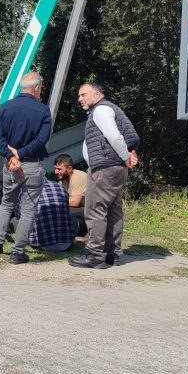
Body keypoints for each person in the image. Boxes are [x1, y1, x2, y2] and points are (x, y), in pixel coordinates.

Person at [69, 82, 140, 270]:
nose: (80, 98)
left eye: (83, 94)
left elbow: (114, 136)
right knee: (113, 211)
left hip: (105, 169)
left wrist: (126, 157)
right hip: (115, 168)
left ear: (98, 94)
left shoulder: (101, 111)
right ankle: (112, 254)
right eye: (79, 95)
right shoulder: (109, 109)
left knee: (94, 210)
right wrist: (127, 155)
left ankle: (95, 255)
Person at [0, 72, 53, 264]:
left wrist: (11, 156)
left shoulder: (4, 108)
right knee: (28, 209)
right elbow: (42, 139)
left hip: (11, 165)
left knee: (6, 202)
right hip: (32, 164)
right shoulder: (43, 111)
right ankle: (17, 252)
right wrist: (22, 153)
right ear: (36, 88)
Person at [28, 171, 75, 253]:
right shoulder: (60, 186)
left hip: (41, 244)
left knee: (15, 220)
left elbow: (20, 215)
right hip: (66, 244)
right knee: (75, 221)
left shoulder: (28, 190)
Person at [53, 153, 89, 235]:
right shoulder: (63, 179)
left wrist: (53, 203)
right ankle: (80, 229)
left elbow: (75, 202)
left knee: (58, 211)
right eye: (55, 168)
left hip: (92, 210)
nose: (55, 172)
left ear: (69, 168)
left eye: (59, 169)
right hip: (81, 210)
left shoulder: (78, 177)